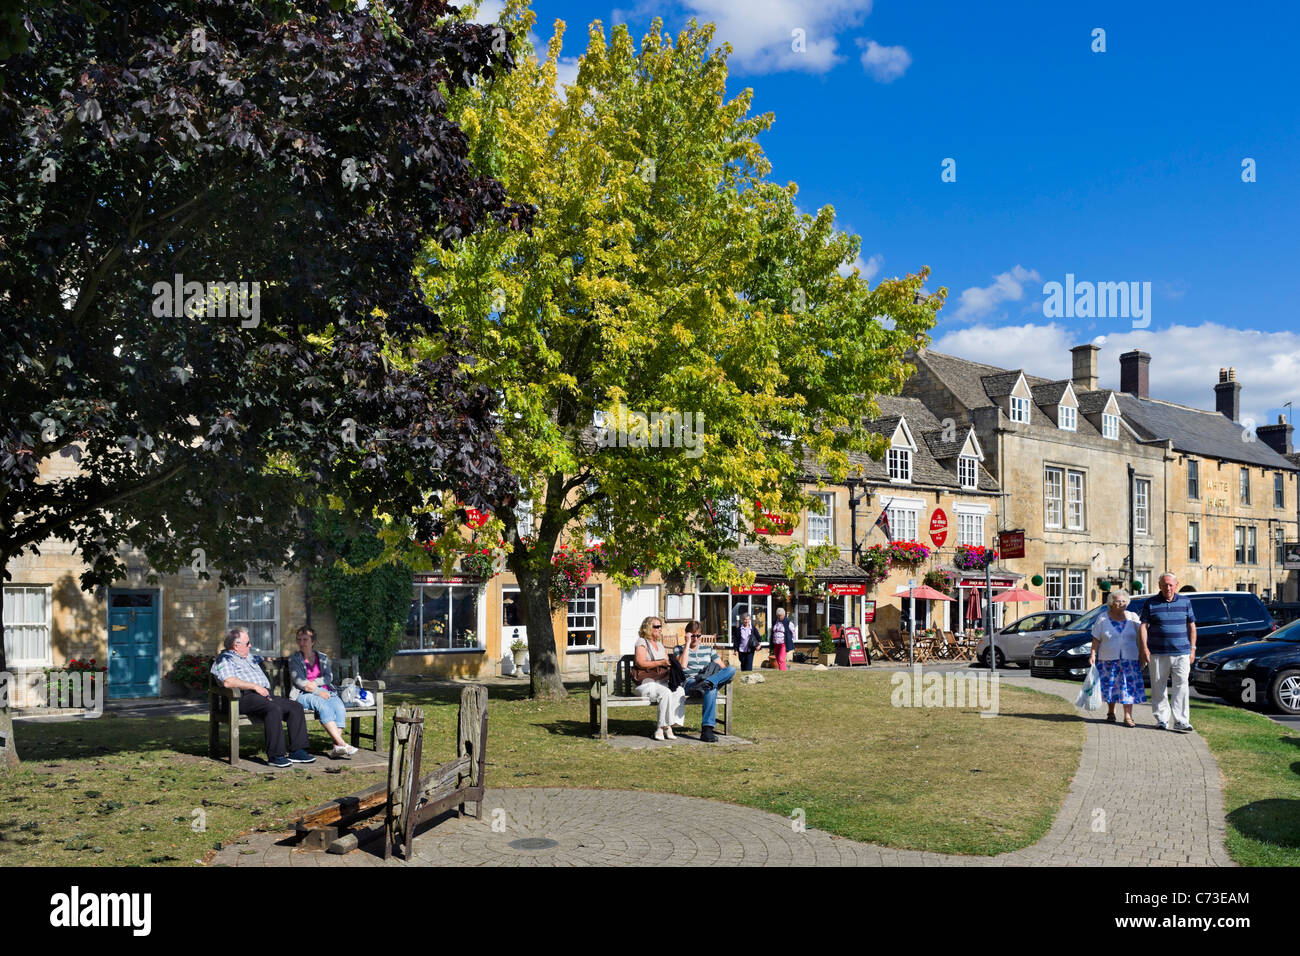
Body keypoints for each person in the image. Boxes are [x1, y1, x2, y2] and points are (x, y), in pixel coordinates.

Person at [211, 627, 315, 767]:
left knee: (295, 707)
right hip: (240, 698)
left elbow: (267, 659)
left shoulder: (248, 657)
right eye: (248, 643)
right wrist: (254, 686)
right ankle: (276, 756)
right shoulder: (225, 659)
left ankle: (297, 751)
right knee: (273, 709)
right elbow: (228, 681)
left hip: (263, 695)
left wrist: (277, 659)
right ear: (236, 646)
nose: (251, 645)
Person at [287, 626, 359, 759]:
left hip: (326, 692)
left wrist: (315, 683)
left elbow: (328, 677)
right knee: (324, 706)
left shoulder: (323, 657)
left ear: (313, 641)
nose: (301, 643)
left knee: (339, 707)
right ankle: (343, 744)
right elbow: (300, 682)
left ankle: (337, 747)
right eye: (299, 640)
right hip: (303, 695)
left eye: (305, 639)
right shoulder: (294, 659)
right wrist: (317, 690)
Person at [1138, 572, 1197, 732]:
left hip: (1182, 653)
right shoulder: (1151, 603)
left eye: (1171, 585)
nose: (1168, 588)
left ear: (1176, 586)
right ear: (1159, 586)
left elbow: (1192, 626)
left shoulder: (1185, 602)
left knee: (1182, 687)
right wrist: (1144, 648)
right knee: (1158, 687)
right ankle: (1162, 719)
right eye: (1165, 585)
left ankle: (1181, 721)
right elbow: (1143, 626)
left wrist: (1193, 649)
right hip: (1157, 652)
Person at [1088, 589, 1145, 727]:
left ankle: (1128, 716)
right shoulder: (1103, 618)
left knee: (1128, 687)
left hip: (1129, 659)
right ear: (1112, 603)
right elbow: (1096, 638)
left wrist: (1143, 653)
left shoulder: (1133, 617)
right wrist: (1093, 654)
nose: (1121, 604)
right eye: (1118, 601)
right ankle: (1111, 712)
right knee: (1111, 686)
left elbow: (1141, 637)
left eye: (1124, 601)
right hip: (1108, 658)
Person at [674, 621, 736, 743]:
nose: (695, 638)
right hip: (691, 683)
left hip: (705, 681)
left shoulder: (708, 649)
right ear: (687, 635)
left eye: (698, 635)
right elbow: (682, 666)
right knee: (711, 688)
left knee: (731, 670)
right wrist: (687, 644)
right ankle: (707, 730)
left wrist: (712, 678)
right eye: (692, 635)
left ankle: (708, 683)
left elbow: (723, 668)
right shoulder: (679, 649)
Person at [632, 616, 685, 740]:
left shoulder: (660, 645)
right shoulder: (641, 642)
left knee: (679, 691)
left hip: (661, 681)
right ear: (648, 628)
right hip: (645, 683)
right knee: (665, 693)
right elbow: (640, 662)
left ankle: (671, 724)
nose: (660, 629)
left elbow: (666, 661)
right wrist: (660, 663)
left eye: (660, 626)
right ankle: (661, 728)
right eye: (656, 626)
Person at [769, 606, 796, 671]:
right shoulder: (775, 622)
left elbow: (793, 632)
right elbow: (772, 632)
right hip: (776, 643)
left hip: (783, 643)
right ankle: (783, 670)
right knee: (778, 658)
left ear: (784, 615)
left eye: (780, 615)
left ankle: (782, 671)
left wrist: (792, 641)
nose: (779, 617)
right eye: (778, 615)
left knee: (781, 658)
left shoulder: (788, 622)